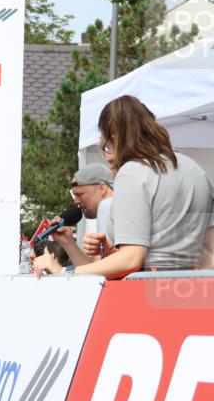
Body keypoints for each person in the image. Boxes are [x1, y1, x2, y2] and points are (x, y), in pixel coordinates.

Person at [36, 95, 214, 278]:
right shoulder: (195, 170)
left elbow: (131, 259)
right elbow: (210, 253)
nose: (107, 155)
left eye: (106, 146)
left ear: (114, 138)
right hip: (199, 292)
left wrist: (64, 271)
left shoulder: (133, 172)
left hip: (150, 293)